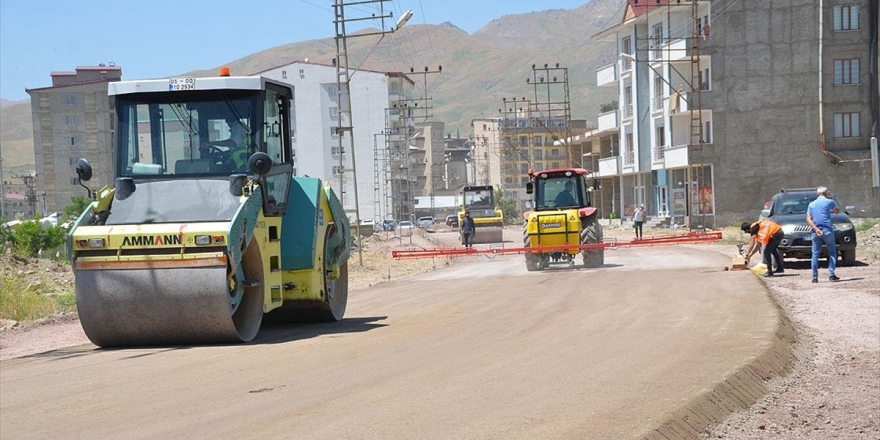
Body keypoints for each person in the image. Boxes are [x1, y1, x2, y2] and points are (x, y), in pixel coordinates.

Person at [807, 186, 840, 283]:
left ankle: (814, 277)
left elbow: (808, 219)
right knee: (832, 252)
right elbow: (837, 212)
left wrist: (816, 229)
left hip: (815, 231)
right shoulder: (829, 202)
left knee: (815, 254)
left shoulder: (811, 204)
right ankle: (831, 274)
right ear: (826, 193)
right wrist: (831, 199)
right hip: (827, 230)